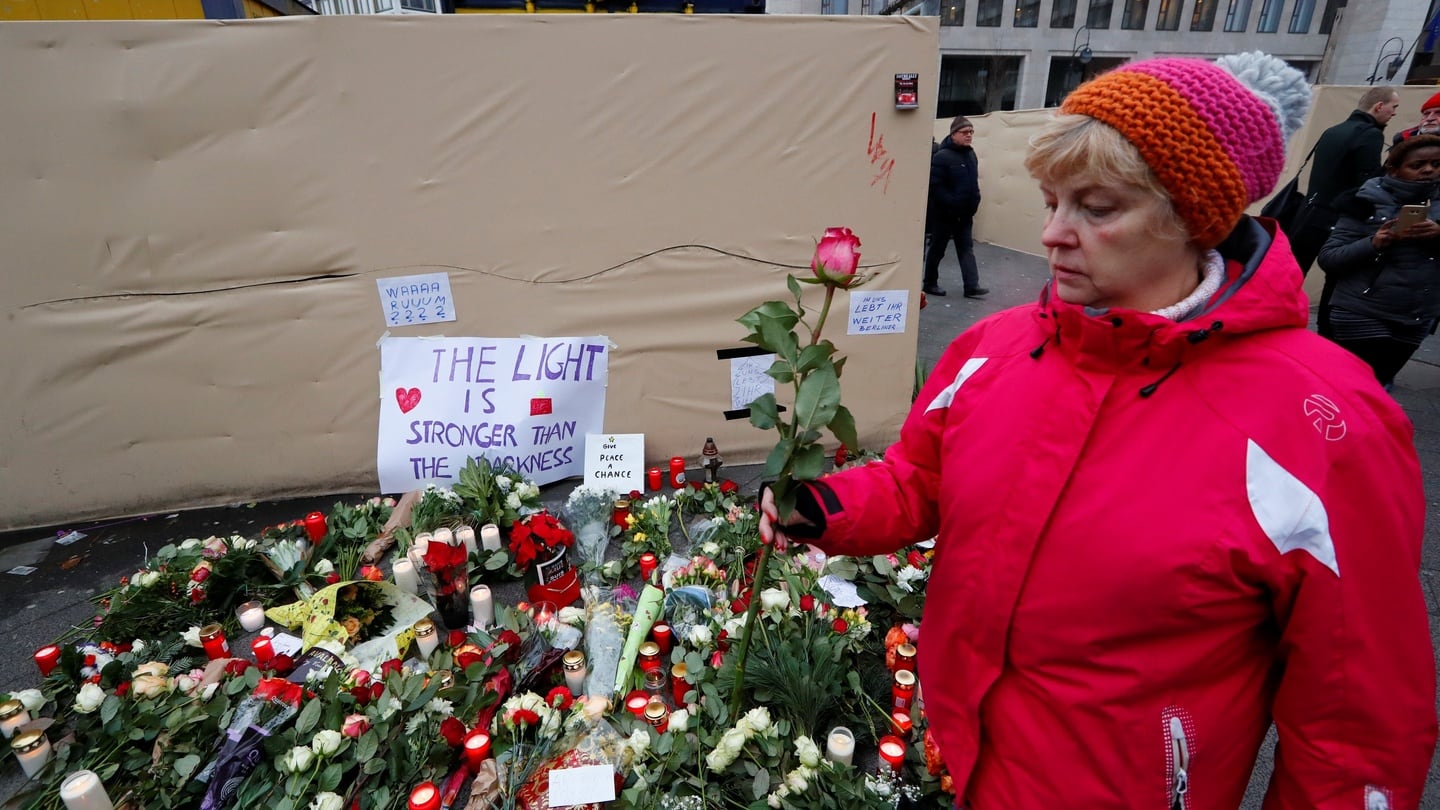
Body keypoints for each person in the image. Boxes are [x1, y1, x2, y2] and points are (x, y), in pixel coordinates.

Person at [761, 53, 1436, 809]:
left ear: (1194, 216)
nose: (1053, 234)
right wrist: (823, 508)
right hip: (969, 762)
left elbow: (1355, 723)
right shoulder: (992, 349)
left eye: (1097, 208)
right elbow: (921, 477)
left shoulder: (1323, 421)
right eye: (1052, 202)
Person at [1317, 134, 1440, 388]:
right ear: (1394, 169)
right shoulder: (1365, 200)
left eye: (1436, 164)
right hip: (1362, 310)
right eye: (1417, 165)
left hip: (1417, 316)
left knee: (1377, 387)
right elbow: (1329, 257)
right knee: (1353, 388)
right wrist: (1375, 242)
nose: (1428, 170)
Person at [1288, 87, 1398, 279]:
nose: (1394, 113)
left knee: (1291, 272)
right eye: (1393, 107)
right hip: (1335, 218)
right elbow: (1368, 183)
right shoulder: (1370, 134)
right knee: (1335, 275)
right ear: (1379, 106)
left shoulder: (1333, 130)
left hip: (1308, 212)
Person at [923, 115, 987, 299]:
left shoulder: (971, 155)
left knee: (966, 249)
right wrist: (951, 203)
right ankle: (929, 283)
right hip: (945, 215)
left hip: (965, 215)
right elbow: (935, 187)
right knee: (937, 249)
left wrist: (975, 200)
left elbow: (973, 183)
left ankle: (971, 286)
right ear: (953, 134)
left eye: (971, 132)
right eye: (964, 132)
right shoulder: (942, 156)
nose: (969, 135)